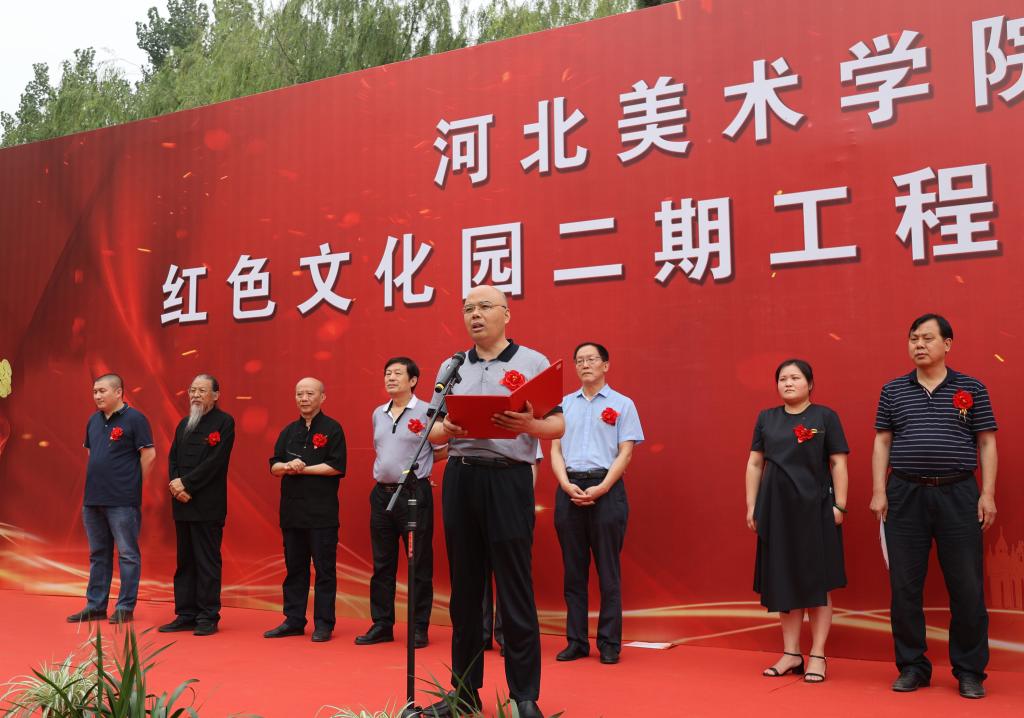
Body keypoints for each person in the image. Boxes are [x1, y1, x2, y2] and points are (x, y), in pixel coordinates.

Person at [423, 285, 564, 718]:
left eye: (485, 306)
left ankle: (525, 696)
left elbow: (557, 424)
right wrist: (448, 430)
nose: (475, 315)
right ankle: (464, 693)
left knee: (515, 588)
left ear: (506, 314)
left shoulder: (533, 362)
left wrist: (529, 425)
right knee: (465, 592)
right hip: (462, 477)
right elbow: (430, 430)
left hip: (508, 479)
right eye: (468, 308)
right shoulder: (452, 366)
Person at [871, 314, 997, 699]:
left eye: (927, 338)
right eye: (913, 339)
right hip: (904, 494)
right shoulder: (893, 390)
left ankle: (969, 671)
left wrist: (987, 493)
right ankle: (912, 666)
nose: (919, 345)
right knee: (904, 586)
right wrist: (879, 490)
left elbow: (987, 442)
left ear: (947, 344)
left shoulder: (972, 388)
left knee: (967, 586)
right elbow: (882, 442)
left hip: (958, 493)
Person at [744, 359, 849, 683]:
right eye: (782, 379)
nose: (788, 383)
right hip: (775, 510)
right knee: (783, 580)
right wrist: (752, 506)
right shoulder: (766, 418)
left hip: (816, 508)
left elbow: (838, 462)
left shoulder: (825, 417)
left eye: (795, 378)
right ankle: (791, 653)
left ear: (810, 383)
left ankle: (817, 654)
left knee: (817, 582)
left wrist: (840, 505)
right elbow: (755, 464)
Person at [551, 342, 644, 665]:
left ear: (606, 365)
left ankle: (608, 643)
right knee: (573, 573)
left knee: (608, 572)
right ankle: (576, 641)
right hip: (569, 488)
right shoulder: (563, 406)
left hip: (607, 489)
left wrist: (603, 487)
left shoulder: (623, 404)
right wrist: (565, 484)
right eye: (579, 360)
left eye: (591, 359)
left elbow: (626, 452)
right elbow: (555, 450)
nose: (585, 364)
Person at [355, 357, 443, 649]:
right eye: (387, 374)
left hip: (414, 494)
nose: (391, 378)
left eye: (397, 374)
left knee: (418, 563)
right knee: (382, 563)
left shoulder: (428, 411)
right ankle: (382, 624)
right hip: (381, 494)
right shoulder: (378, 413)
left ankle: (419, 627)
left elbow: (443, 448)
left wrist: (422, 467)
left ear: (413, 380)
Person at [67, 374, 155, 625]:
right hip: (93, 499)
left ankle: (125, 607)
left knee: (127, 554)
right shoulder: (93, 420)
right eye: (95, 391)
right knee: (98, 554)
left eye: (102, 391)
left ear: (119, 392)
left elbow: (149, 455)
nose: (97, 396)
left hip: (122, 500)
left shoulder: (135, 419)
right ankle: (95, 606)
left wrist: (133, 485)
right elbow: (92, 454)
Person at [264, 377, 346, 643]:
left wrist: (302, 468)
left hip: (322, 514)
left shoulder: (333, 429)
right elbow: (274, 466)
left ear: (322, 397)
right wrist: (287, 466)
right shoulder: (289, 431)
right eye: (300, 394)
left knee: (324, 571)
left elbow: (336, 466)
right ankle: (294, 620)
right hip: (292, 512)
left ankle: (324, 623)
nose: (304, 398)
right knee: (294, 569)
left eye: (310, 393)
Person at [159, 374, 236, 636]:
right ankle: (185, 613)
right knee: (185, 562)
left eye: (202, 391)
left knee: (207, 562)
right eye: (192, 390)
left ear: (215, 395)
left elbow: (216, 462)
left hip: (207, 504)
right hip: (182, 503)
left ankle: (208, 615)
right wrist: (175, 484)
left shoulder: (224, 422)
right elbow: (173, 458)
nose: (195, 395)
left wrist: (187, 484)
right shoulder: (184, 424)